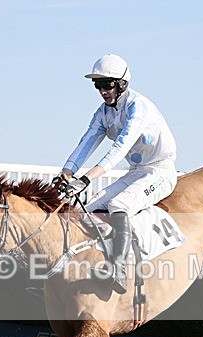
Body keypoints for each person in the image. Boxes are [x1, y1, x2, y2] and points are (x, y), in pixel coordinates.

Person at [55, 54, 177, 294]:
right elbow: (86, 143)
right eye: (98, 85)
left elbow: (120, 147)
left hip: (160, 170)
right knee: (83, 211)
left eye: (107, 84)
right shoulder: (102, 113)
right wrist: (66, 173)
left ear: (121, 83)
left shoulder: (138, 106)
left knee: (119, 204)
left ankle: (118, 269)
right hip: (136, 172)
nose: (102, 90)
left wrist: (86, 178)